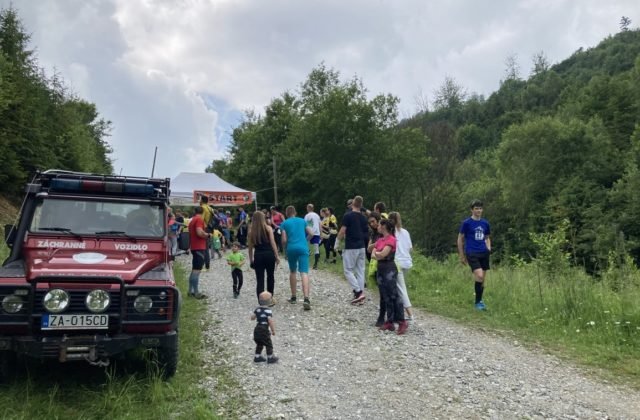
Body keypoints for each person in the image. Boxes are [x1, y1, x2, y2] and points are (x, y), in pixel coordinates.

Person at [372, 219, 408, 335]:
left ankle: (401, 321)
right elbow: (373, 254)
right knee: (385, 295)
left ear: (384, 227)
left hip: (389, 269)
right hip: (381, 269)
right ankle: (390, 321)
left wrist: (378, 253)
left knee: (394, 295)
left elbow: (383, 253)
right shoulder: (380, 240)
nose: (377, 227)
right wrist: (378, 254)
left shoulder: (391, 239)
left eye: (379, 225)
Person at [457, 199, 492, 311]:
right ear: (472, 210)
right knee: (480, 275)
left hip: (483, 252)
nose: (479, 210)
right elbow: (460, 238)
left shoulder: (485, 223)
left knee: (482, 279)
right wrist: (462, 255)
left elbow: (487, 238)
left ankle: (479, 301)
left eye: (480, 208)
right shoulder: (466, 223)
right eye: (476, 208)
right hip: (471, 251)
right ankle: (478, 302)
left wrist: (488, 248)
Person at [336, 196, 369, 304]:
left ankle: (358, 292)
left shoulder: (348, 216)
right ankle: (360, 298)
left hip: (351, 246)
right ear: (361, 205)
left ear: (353, 203)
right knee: (360, 271)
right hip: (362, 246)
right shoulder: (364, 218)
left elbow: (342, 231)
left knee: (348, 270)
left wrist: (337, 242)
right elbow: (366, 233)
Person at [280, 205, 314, 310]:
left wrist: (284, 250)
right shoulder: (303, 221)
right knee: (304, 272)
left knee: (293, 271)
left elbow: (284, 240)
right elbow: (311, 233)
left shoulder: (284, 223)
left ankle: (294, 297)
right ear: (295, 212)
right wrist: (305, 240)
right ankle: (306, 298)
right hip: (303, 248)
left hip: (291, 248)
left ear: (287, 213)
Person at [248, 211, 280, 304]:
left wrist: (251, 260)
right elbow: (273, 243)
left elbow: (250, 248)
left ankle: (261, 300)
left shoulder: (251, 232)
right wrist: (277, 256)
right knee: (270, 277)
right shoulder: (268, 228)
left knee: (260, 279)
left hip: (258, 256)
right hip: (269, 255)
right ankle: (270, 298)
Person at [388, 211, 414, 321]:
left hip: (397, 262)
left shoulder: (391, 234)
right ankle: (399, 311)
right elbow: (410, 248)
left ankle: (410, 314)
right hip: (407, 261)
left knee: (401, 289)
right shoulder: (405, 232)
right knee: (400, 287)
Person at [366, 212, 385, 326]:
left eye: (373, 221)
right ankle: (382, 316)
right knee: (381, 291)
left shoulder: (384, 233)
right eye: (370, 222)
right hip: (375, 263)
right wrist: (376, 245)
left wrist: (375, 245)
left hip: (385, 263)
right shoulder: (373, 234)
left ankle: (385, 317)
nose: (372, 224)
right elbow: (369, 249)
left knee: (386, 292)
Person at [188, 206, 211, 299]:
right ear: (203, 211)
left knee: (194, 269)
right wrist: (208, 235)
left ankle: (190, 291)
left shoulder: (192, 219)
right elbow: (199, 232)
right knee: (197, 270)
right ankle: (196, 293)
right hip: (199, 247)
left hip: (194, 246)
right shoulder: (199, 219)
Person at [250, 291, 278, 363]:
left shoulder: (257, 309)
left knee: (259, 343)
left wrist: (256, 315)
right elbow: (270, 321)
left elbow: (252, 317)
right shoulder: (268, 311)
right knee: (268, 343)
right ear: (269, 301)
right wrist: (273, 330)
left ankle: (257, 356)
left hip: (257, 328)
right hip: (264, 328)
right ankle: (270, 357)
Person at [304, 204, 322, 270]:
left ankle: (306, 260)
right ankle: (315, 265)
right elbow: (320, 224)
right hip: (317, 233)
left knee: (305, 244)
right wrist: (321, 233)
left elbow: (305, 224)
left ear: (308, 208)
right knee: (316, 248)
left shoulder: (307, 215)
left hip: (309, 232)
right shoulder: (317, 215)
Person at [200, 196, 214, 271]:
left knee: (203, 247)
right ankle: (207, 265)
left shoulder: (203, 207)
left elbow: (201, 220)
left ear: (202, 200)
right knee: (206, 247)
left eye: (200, 199)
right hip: (209, 229)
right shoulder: (210, 208)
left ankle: (203, 266)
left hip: (204, 228)